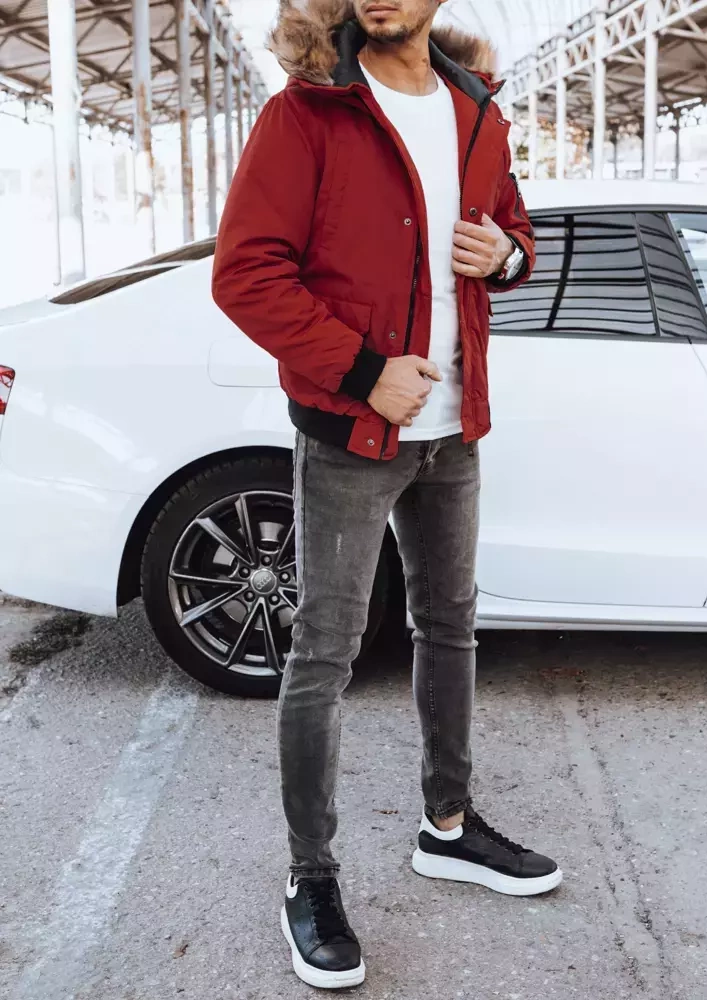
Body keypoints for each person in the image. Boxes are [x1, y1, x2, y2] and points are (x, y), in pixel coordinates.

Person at [212, 0, 561, 988]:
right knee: (324, 653)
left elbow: (516, 231)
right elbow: (245, 273)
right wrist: (364, 371)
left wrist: (508, 256)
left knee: (450, 626)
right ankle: (310, 879)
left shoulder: (476, 110)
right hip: (353, 431)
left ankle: (447, 826)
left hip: (455, 426)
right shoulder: (308, 111)